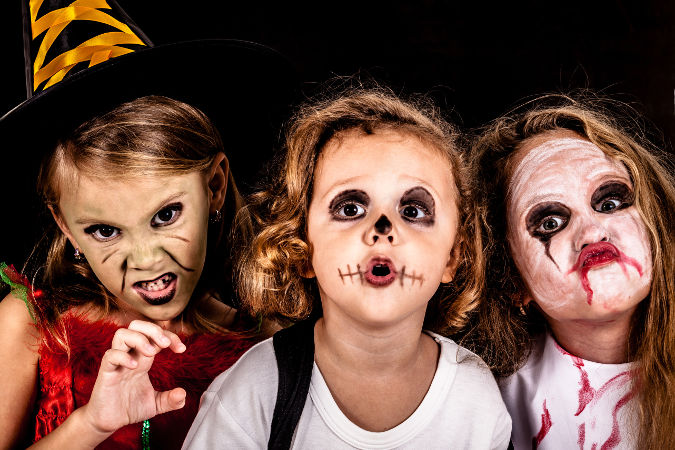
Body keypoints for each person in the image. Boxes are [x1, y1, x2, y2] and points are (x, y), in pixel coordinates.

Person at [0, 2, 295, 448]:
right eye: (105, 230)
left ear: (215, 186)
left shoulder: (265, 344)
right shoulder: (31, 328)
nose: (145, 259)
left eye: (165, 215)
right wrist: (91, 424)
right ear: (64, 224)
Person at [183, 88, 512, 449]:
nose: (383, 229)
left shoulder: (474, 398)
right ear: (302, 245)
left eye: (413, 211)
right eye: (350, 209)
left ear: (453, 256)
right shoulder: (253, 392)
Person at [468, 94, 675, 449]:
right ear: (512, 277)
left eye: (609, 202)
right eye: (550, 223)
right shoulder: (487, 406)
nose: (592, 232)